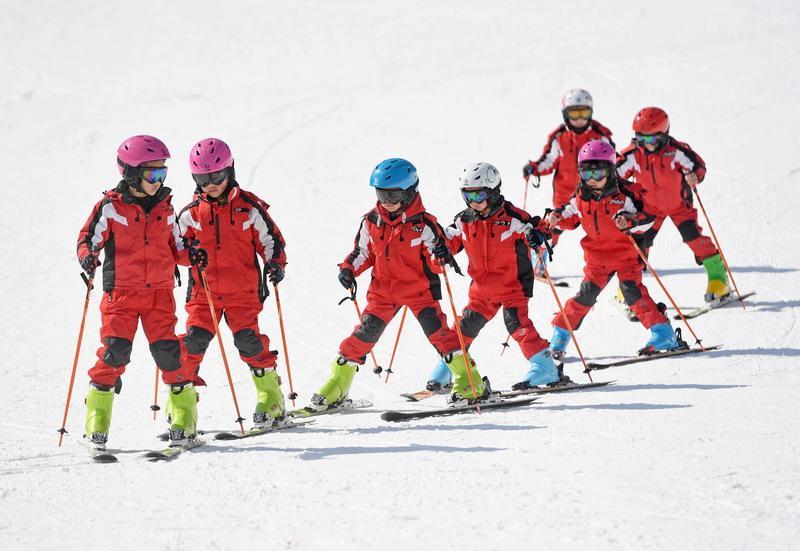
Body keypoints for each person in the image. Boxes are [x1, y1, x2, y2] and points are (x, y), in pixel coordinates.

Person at [307, 158, 487, 410]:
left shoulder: (424, 225)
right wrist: (348, 269)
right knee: (361, 337)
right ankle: (338, 385)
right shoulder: (371, 221)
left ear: (410, 192)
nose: (387, 202)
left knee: (442, 337)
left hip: (420, 292)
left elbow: (436, 260)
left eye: (393, 195)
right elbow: (363, 253)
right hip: (383, 294)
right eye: (381, 194)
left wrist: (442, 257)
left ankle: (471, 383)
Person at [76, 135, 193, 450]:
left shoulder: (167, 209)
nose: (158, 181)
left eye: (162, 174)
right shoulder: (111, 207)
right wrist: (88, 255)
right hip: (122, 296)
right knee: (114, 353)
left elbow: (179, 249)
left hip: (160, 295)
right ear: (130, 172)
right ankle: (96, 422)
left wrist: (194, 255)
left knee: (170, 354)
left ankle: (184, 418)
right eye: (152, 174)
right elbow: (88, 237)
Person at [177, 138, 288, 429]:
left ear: (230, 171)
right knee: (191, 345)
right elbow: (175, 249)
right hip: (204, 296)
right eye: (202, 177)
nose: (210, 183)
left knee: (248, 343)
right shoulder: (189, 215)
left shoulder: (249, 208)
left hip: (244, 293)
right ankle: (183, 412)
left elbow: (271, 242)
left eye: (217, 176)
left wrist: (275, 264)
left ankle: (271, 398)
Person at [424, 162, 562, 392]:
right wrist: (439, 252)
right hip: (481, 290)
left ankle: (545, 365)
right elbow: (446, 240)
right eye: (468, 196)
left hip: (512, 287)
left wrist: (539, 235)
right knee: (464, 328)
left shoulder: (512, 217)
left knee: (517, 325)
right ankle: (451, 369)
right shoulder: (464, 220)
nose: (474, 202)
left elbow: (537, 228)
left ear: (494, 190)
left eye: (479, 195)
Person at [544, 140, 682, 358]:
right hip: (597, 259)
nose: (592, 180)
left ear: (609, 170)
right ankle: (559, 337)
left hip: (626, 255)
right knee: (584, 297)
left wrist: (631, 221)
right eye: (587, 174)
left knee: (632, 293)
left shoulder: (626, 193)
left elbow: (650, 217)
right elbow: (569, 216)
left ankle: (664, 333)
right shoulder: (581, 196)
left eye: (598, 174)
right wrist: (556, 218)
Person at [617, 107, 728, 302]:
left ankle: (718, 279)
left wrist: (695, 175)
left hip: (679, 205)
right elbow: (615, 176)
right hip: (648, 208)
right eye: (641, 138)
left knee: (693, 238)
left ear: (664, 134)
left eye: (651, 140)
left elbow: (697, 165)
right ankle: (628, 290)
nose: (646, 144)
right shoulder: (634, 154)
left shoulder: (676, 150)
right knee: (637, 245)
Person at [522, 89, 614, 274]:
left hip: (596, 193)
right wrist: (535, 168)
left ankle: (614, 265)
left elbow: (611, 161)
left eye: (584, 113)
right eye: (574, 113)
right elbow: (548, 159)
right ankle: (538, 263)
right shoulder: (559, 137)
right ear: (565, 113)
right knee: (555, 226)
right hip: (565, 193)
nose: (579, 118)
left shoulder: (599, 135)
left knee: (602, 228)